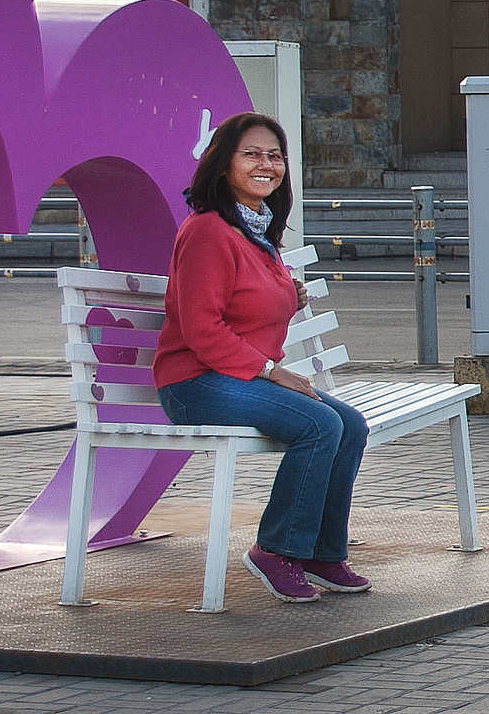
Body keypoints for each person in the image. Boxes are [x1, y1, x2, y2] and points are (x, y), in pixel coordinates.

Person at [154, 112, 371, 604]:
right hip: (193, 383)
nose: (266, 164)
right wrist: (273, 372)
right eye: (251, 153)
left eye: (275, 156)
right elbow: (201, 329)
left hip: (234, 377)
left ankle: (319, 550)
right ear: (222, 163)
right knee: (319, 425)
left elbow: (248, 315)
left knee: (350, 424)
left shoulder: (255, 231)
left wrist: (286, 298)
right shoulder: (209, 231)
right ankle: (275, 550)